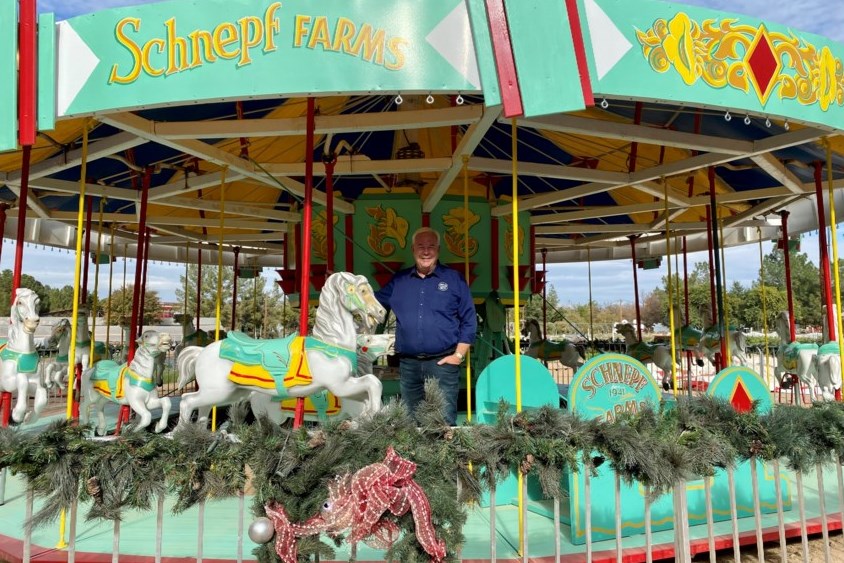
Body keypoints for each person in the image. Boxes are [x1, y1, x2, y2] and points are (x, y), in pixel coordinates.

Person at [375, 227, 476, 425]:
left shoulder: (453, 279)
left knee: (444, 422)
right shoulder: (400, 281)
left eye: (431, 246)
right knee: (412, 422)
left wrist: (458, 356)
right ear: (413, 249)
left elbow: (469, 319)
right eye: (421, 246)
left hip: (443, 363)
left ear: (438, 249)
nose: (426, 251)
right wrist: (343, 287)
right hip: (409, 365)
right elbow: (372, 302)